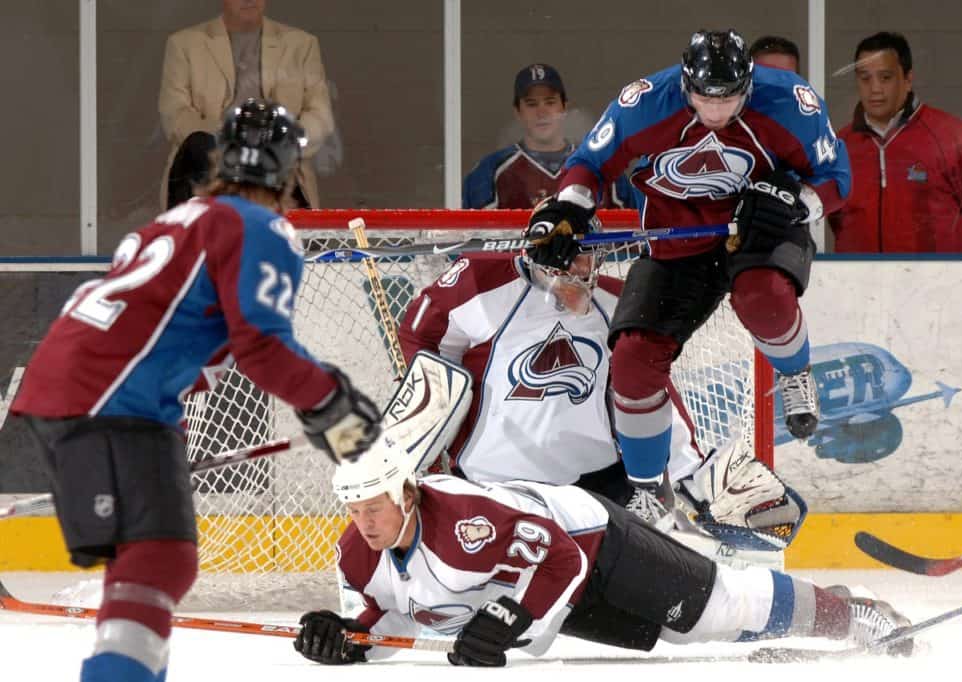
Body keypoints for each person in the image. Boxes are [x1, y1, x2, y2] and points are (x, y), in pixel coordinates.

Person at [10, 99, 380, 682]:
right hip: (112, 400)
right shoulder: (262, 226)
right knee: (159, 560)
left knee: (147, 563)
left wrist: (166, 428)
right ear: (287, 172)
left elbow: (156, 331)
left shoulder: (172, 222)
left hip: (66, 389)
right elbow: (260, 345)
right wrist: (328, 400)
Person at [523, 30, 850, 505]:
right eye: (704, 98)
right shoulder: (644, 103)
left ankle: (795, 372)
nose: (717, 113)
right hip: (679, 240)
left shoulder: (790, 104)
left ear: (749, 83)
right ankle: (649, 488)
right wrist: (570, 207)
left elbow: (837, 178)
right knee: (633, 361)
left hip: (760, 229)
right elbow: (590, 164)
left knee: (763, 298)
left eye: (731, 98)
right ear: (684, 83)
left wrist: (796, 203)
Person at [291, 438, 912, 667]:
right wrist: (345, 640)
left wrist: (510, 618)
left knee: (713, 608)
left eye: (374, 505)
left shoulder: (465, 518)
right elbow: (384, 618)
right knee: (680, 634)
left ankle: (848, 612)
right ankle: (802, 619)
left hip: (594, 541)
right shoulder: (358, 553)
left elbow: (561, 557)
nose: (364, 521)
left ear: (406, 492)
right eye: (353, 509)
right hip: (550, 595)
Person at [396, 216, 807, 550]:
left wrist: (693, 471)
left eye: (591, 256)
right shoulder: (482, 285)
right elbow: (420, 337)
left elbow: (646, 389)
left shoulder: (617, 301)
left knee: (667, 583)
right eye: (574, 260)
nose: (584, 270)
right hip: (493, 487)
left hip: (598, 490)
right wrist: (428, 411)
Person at [828, 32, 962, 252]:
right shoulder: (841, 145)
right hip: (860, 282)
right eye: (865, 78)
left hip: (938, 283)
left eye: (885, 77)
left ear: (908, 79)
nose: (875, 89)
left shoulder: (951, 136)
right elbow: (836, 219)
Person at [158, 0, 334, 210]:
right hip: (210, 162)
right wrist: (235, 142)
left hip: (279, 166)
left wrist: (278, 142)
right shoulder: (184, 44)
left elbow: (320, 116)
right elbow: (175, 114)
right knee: (199, 144)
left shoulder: (302, 44)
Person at [463, 63, 635, 209]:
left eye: (550, 102)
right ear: (517, 111)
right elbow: (471, 241)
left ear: (564, 107)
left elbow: (636, 235)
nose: (542, 113)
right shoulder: (491, 171)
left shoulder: (599, 165)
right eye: (532, 104)